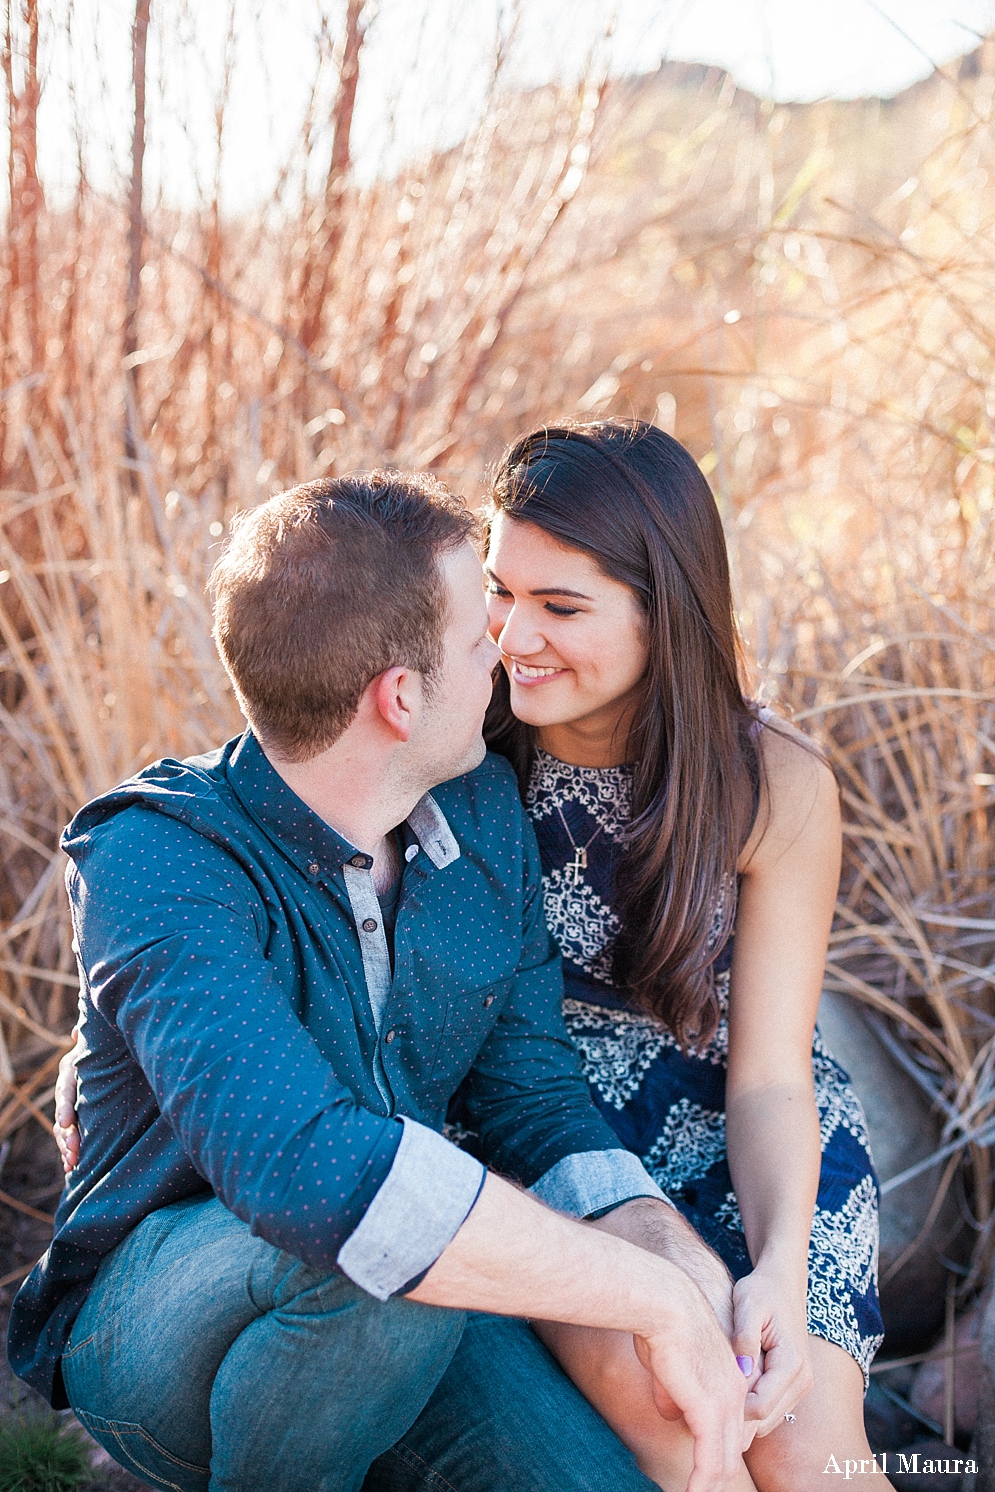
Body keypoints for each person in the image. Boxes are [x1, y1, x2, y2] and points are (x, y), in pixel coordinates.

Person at [13, 471, 752, 1492]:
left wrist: (674, 1259)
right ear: (398, 698)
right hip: (166, 1326)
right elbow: (309, 1172)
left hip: (415, 1306)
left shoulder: (484, 816)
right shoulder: (158, 861)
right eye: (471, 637)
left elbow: (533, 1096)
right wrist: (643, 1297)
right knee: (372, 1252)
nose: (498, 646)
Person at [479, 419, 888, 1491]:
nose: (512, 635)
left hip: (745, 1142)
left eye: (560, 606)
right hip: (545, 1137)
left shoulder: (773, 785)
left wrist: (780, 1274)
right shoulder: (458, 749)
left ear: (668, 611)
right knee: (683, 1414)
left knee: (806, 1455)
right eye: (499, 589)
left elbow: (767, 1077)